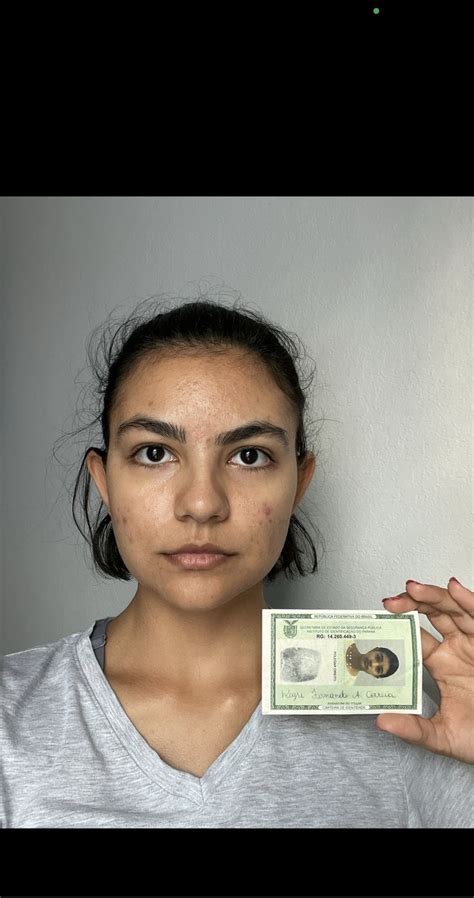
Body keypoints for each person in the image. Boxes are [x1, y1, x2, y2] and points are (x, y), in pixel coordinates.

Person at [1, 294, 473, 828]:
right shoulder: (9, 721)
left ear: (299, 482)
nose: (202, 503)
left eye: (249, 455)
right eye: (154, 452)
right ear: (104, 481)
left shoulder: (407, 723)